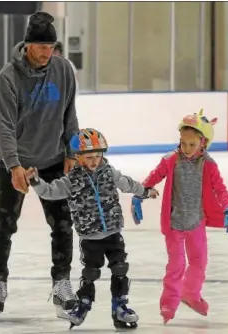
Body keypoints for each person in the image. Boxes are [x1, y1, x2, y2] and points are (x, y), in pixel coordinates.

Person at [0, 12, 79, 320]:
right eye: (41, 47)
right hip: (17, 164)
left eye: (51, 46)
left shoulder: (64, 70)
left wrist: (72, 151)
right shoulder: (9, 77)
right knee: (5, 225)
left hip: (53, 161)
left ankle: (62, 282)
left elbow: (70, 114)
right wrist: (13, 166)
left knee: (63, 225)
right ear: (27, 45)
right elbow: (5, 127)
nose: (46, 53)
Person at [25, 128, 158, 330]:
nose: (95, 161)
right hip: (90, 236)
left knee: (120, 268)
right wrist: (36, 181)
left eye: (98, 156)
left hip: (113, 232)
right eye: (89, 157)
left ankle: (120, 306)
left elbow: (128, 184)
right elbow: (50, 192)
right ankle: (83, 304)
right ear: (78, 157)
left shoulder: (110, 173)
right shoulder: (71, 180)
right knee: (91, 273)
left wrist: (145, 191)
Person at [132, 110, 228, 324]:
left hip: (196, 222)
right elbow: (154, 176)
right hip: (174, 222)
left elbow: (221, 190)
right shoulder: (171, 159)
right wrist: (140, 193)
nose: (187, 148)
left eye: (192, 144)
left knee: (199, 262)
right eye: (183, 143)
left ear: (203, 143)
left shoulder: (208, 164)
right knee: (176, 265)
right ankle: (169, 302)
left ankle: (190, 294)